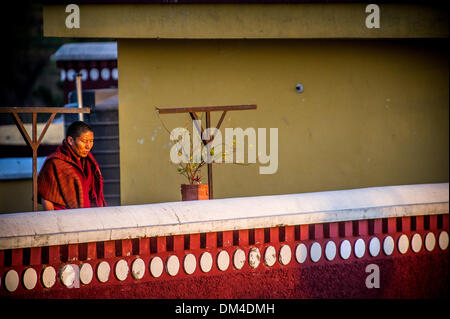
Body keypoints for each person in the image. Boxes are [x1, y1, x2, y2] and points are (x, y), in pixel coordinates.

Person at [38, 121, 106, 210]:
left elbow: (95, 195)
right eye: (84, 141)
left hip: (87, 217)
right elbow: (47, 198)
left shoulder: (89, 163)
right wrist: (51, 222)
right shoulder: (55, 163)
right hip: (63, 219)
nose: (88, 146)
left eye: (91, 141)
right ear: (70, 140)